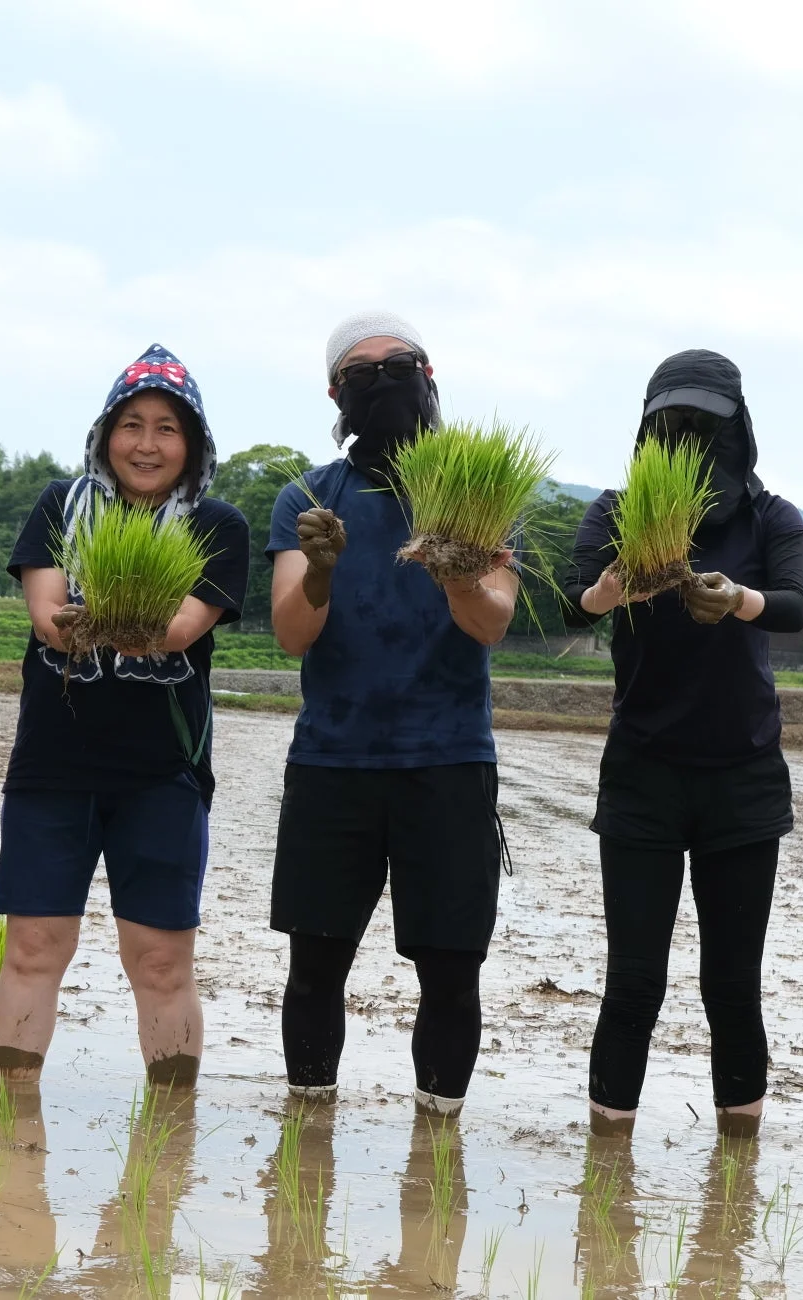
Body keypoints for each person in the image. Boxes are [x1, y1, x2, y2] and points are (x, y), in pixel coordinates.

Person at [266, 310, 518, 1119]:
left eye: (399, 366)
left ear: (429, 378)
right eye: (363, 372)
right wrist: (320, 573)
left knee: (450, 969)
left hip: (446, 762)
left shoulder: (478, 492)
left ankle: (435, 1150)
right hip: (333, 763)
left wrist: (451, 568)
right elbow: (290, 637)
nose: (384, 382)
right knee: (316, 963)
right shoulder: (309, 498)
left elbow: (492, 623)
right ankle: (306, 1140)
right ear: (337, 393)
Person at [561, 348, 803, 1139]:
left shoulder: (770, 519)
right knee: (634, 979)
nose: (691, 439)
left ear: (739, 429)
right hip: (643, 776)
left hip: (744, 779)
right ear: (647, 428)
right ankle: (609, 1162)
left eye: (708, 423)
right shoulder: (618, 512)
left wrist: (736, 597)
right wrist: (616, 585)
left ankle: (737, 1167)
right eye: (674, 423)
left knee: (732, 983)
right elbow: (575, 604)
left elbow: (795, 606)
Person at [0, 345, 249, 1090]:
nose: (147, 443)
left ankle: (168, 1143)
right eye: (131, 424)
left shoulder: (216, 525)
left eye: (168, 427)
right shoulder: (59, 506)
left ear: (192, 445)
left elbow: (179, 629)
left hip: (162, 772)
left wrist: (118, 616)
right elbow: (47, 616)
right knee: (33, 947)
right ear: (105, 435)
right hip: (52, 767)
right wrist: (81, 621)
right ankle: (12, 1129)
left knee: (162, 959)